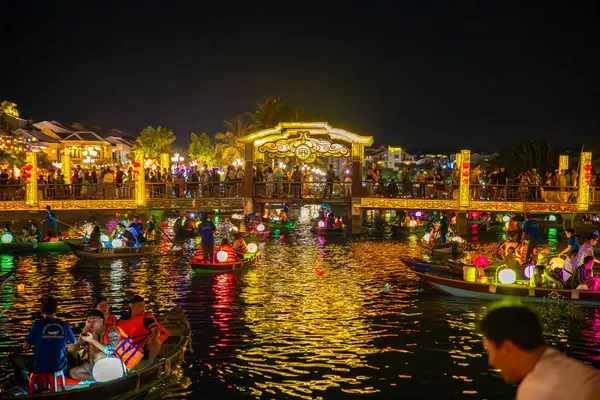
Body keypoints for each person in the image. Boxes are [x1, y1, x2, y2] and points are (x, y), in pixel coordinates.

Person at [479, 305, 600, 400]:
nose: (491, 361)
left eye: (490, 351)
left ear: (507, 349)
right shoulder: (562, 363)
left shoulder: (535, 390)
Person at [12, 296, 75, 385]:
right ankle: (46, 382)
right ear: (56, 310)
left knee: (15, 359)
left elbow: (25, 347)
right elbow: (73, 342)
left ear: (41, 310)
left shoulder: (37, 324)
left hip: (39, 366)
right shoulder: (64, 325)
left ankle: (25, 385)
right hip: (59, 365)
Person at [69, 310, 143, 381]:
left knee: (99, 356)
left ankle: (105, 377)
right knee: (73, 372)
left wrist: (91, 340)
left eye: (94, 321)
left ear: (101, 321)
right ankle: (98, 379)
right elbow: (91, 353)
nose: (91, 323)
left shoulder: (113, 331)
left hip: (118, 364)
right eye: (89, 321)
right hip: (100, 365)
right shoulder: (93, 334)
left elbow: (109, 350)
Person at [118, 295, 169, 364]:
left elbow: (155, 330)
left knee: (155, 341)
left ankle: (151, 363)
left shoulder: (147, 318)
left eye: (144, 306)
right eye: (140, 307)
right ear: (132, 306)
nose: (143, 309)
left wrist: (154, 337)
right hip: (129, 346)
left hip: (144, 345)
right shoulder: (124, 318)